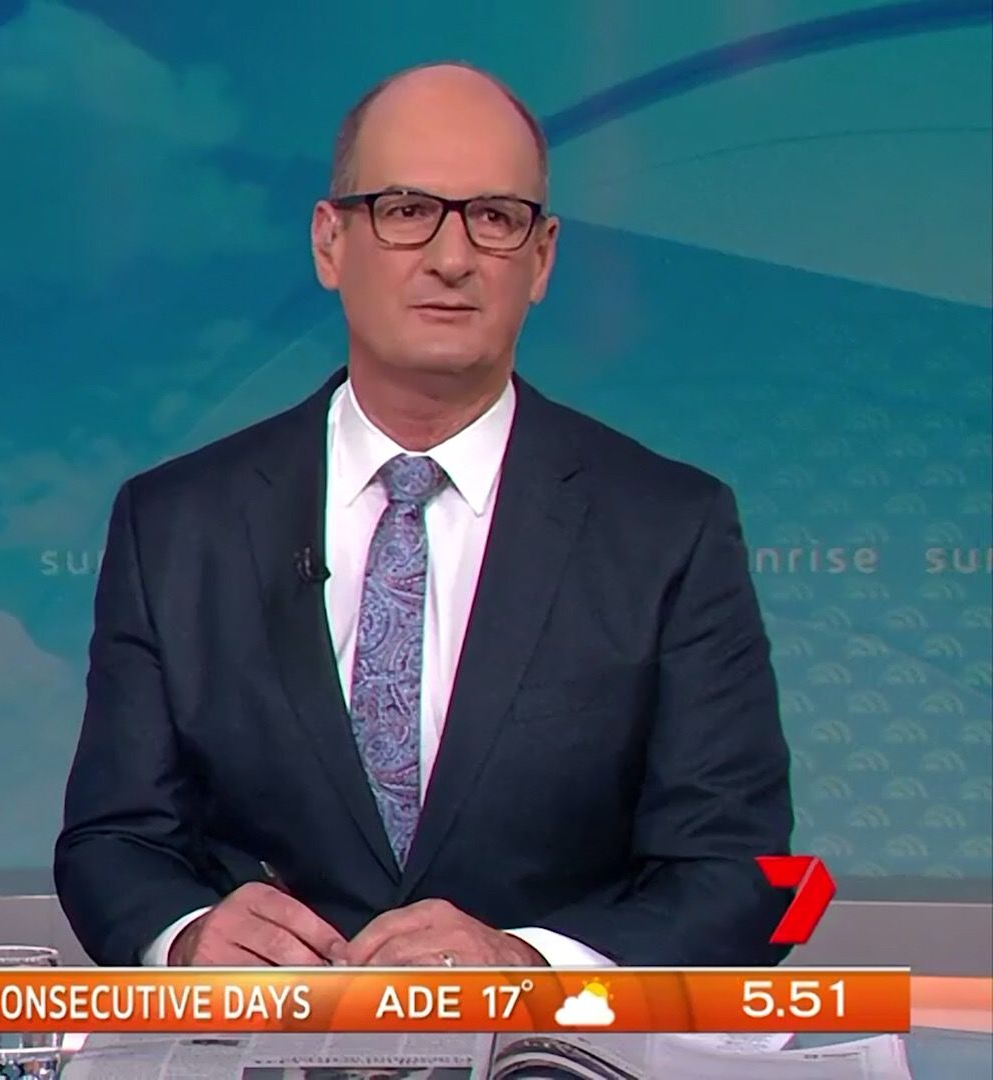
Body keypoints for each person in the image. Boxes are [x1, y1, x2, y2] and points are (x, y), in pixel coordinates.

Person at [54, 63, 793, 969]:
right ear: (329, 242)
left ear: (542, 257)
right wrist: (189, 936)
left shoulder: (668, 527)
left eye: (495, 217)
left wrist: (528, 965)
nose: (452, 258)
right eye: (406, 210)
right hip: (263, 1037)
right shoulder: (175, 524)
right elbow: (114, 842)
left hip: (553, 1042)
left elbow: (736, 871)